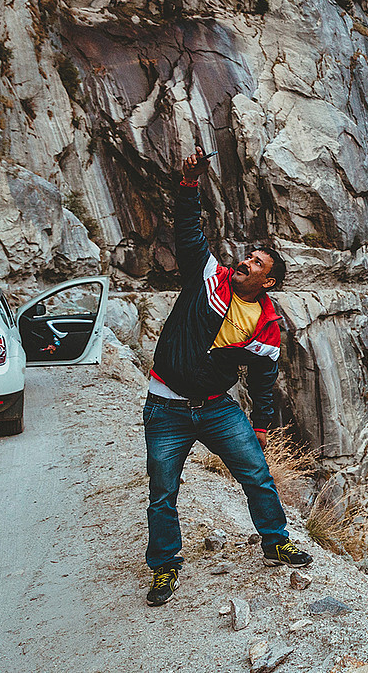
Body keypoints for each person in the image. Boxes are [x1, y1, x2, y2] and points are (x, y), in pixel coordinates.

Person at [142, 147, 311, 607]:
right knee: (162, 492)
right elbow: (187, 228)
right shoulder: (206, 276)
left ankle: (276, 542)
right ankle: (163, 567)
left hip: (218, 408)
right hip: (166, 407)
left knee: (257, 474)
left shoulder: (267, 325)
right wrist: (189, 182)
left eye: (257, 263)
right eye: (248, 257)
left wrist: (259, 424)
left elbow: (263, 376)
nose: (246, 262)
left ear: (268, 282)